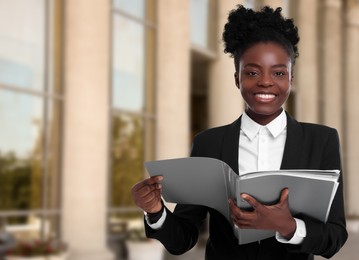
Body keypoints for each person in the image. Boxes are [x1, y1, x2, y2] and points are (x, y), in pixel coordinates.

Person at [131, 5, 348, 260]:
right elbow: (183, 239)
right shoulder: (208, 143)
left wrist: (287, 226)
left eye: (278, 72)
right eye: (252, 72)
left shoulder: (321, 141)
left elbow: (334, 238)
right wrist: (155, 211)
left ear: (291, 78)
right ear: (237, 78)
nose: (265, 81)